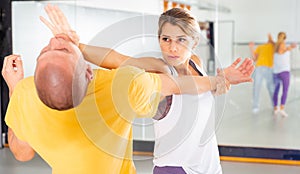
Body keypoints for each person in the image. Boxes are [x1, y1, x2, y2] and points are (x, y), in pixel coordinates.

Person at [3, 4, 254, 174]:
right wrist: (77, 44)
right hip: (177, 168)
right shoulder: (159, 69)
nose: (172, 48)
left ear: (195, 43)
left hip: (209, 165)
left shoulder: (197, 66)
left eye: (181, 40)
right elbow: (116, 59)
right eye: (165, 39)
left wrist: (222, 80)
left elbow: (206, 93)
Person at [249, 34, 275, 114]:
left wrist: (270, 38)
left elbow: (274, 44)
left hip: (269, 68)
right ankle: (255, 106)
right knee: (256, 87)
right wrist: (251, 48)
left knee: (271, 87)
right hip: (259, 67)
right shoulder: (260, 47)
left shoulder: (273, 47)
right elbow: (254, 58)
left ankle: (274, 105)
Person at [273, 32, 297, 117]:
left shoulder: (275, 46)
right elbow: (284, 50)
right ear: (285, 38)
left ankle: (276, 108)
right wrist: (291, 47)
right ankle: (281, 108)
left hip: (276, 72)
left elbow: (280, 50)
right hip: (284, 72)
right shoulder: (284, 47)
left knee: (276, 91)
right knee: (285, 90)